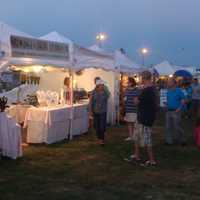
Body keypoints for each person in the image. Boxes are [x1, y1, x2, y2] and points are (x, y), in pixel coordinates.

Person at [126, 71, 158, 166]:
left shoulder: (148, 90)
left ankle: (152, 161)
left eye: (140, 78)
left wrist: (136, 99)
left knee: (147, 140)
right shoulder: (151, 89)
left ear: (144, 78)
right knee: (136, 137)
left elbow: (136, 102)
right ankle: (136, 155)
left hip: (145, 118)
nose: (139, 79)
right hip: (142, 117)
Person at [165, 78, 186, 145]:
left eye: (169, 82)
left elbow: (183, 100)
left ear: (174, 83)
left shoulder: (179, 90)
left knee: (177, 126)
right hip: (168, 111)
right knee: (168, 127)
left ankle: (182, 140)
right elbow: (166, 100)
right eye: (167, 82)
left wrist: (179, 108)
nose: (167, 83)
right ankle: (169, 141)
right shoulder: (167, 91)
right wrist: (165, 104)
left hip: (176, 111)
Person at [90, 79, 110, 145]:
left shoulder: (105, 92)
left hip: (103, 111)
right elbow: (91, 102)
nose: (102, 86)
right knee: (96, 126)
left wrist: (105, 88)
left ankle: (101, 140)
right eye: (102, 85)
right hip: (95, 111)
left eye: (103, 85)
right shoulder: (93, 92)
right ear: (98, 85)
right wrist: (90, 111)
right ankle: (99, 138)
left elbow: (109, 95)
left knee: (102, 126)